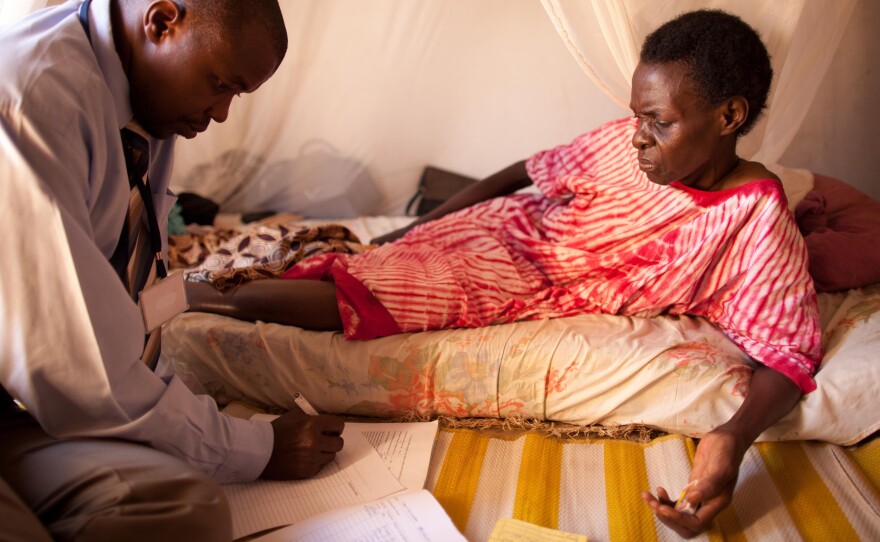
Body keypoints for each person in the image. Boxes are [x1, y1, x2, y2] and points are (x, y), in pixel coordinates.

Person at [186, 9, 822, 538]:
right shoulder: (636, 147)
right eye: (637, 116)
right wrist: (420, 224)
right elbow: (527, 170)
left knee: (373, 294)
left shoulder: (754, 218)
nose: (637, 138)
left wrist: (732, 438)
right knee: (368, 261)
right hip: (508, 229)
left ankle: (195, 300)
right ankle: (188, 293)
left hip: (525, 281)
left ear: (729, 117)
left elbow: (789, 353)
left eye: (658, 122)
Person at [0, 1, 344, 540]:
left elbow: (135, 284)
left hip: (27, 400)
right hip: (46, 387)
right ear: (161, 22)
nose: (224, 113)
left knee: (185, 510)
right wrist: (257, 447)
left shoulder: (149, 105)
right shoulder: (32, 91)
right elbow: (83, 370)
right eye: (220, 84)